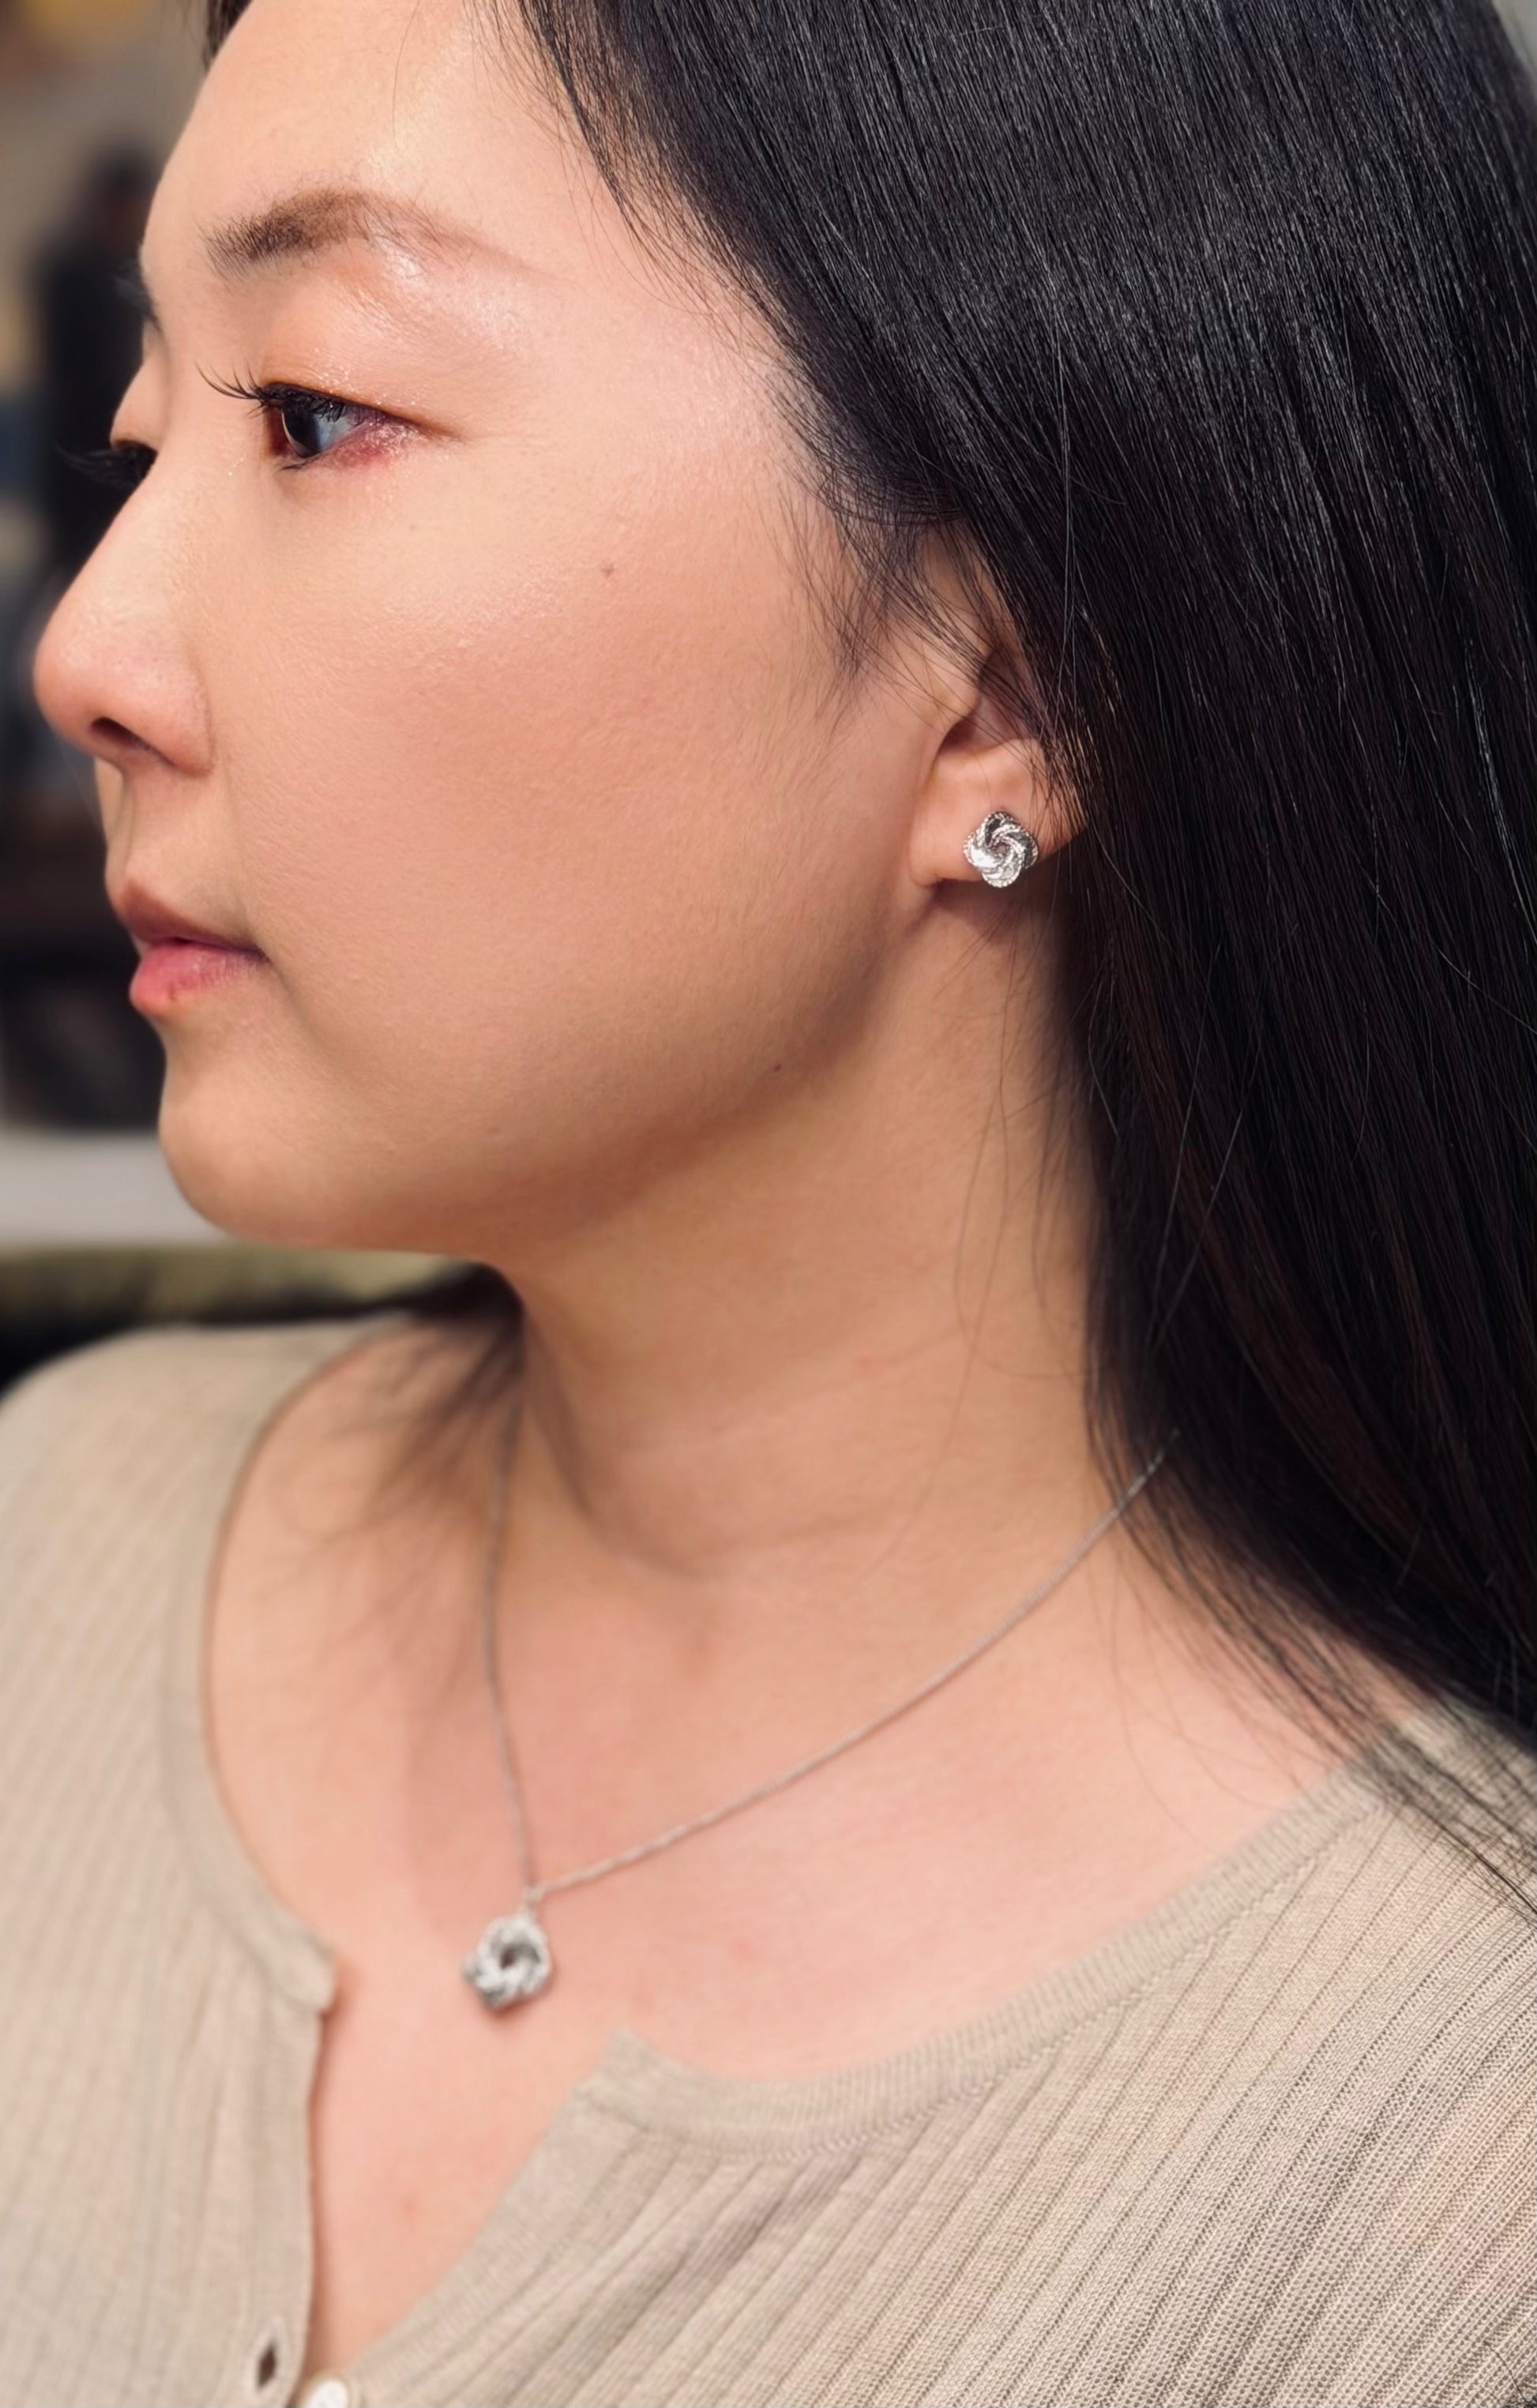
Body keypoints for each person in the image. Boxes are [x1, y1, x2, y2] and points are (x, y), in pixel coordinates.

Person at [2, 0, 1532, 2401]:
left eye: (314, 414)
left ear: (1010, 683)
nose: (89, 648)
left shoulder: (1443, 2173)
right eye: (139, 428)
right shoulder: (50, 1543)